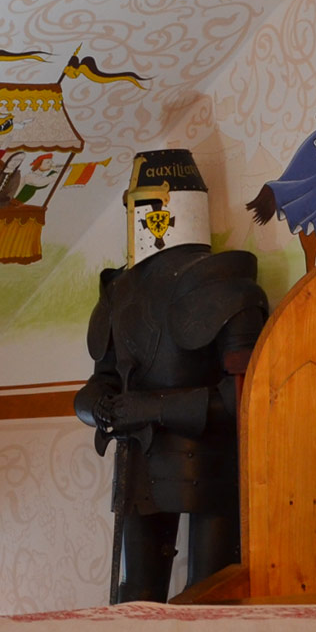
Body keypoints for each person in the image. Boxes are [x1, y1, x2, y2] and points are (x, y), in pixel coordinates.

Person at [75, 150, 269, 602]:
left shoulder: (227, 285)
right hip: (139, 463)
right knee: (137, 599)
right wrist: (97, 406)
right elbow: (103, 376)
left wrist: (151, 407)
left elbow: (247, 399)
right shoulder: (118, 292)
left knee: (212, 598)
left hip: (213, 463)